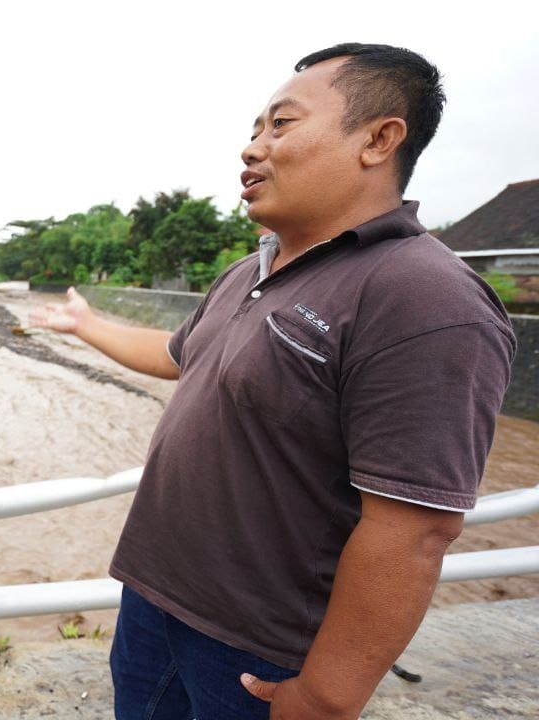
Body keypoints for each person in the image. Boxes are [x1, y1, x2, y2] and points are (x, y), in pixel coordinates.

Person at [30, 43, 514, 719]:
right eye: (255, 129)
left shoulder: (422, 295)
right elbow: (179, 355)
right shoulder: (249, 272)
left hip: (257, 652)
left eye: (280, 125)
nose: (252, 148)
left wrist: (326, 695)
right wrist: (85, 325)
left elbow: (415, 528)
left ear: (379, 139)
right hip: (155, 605)